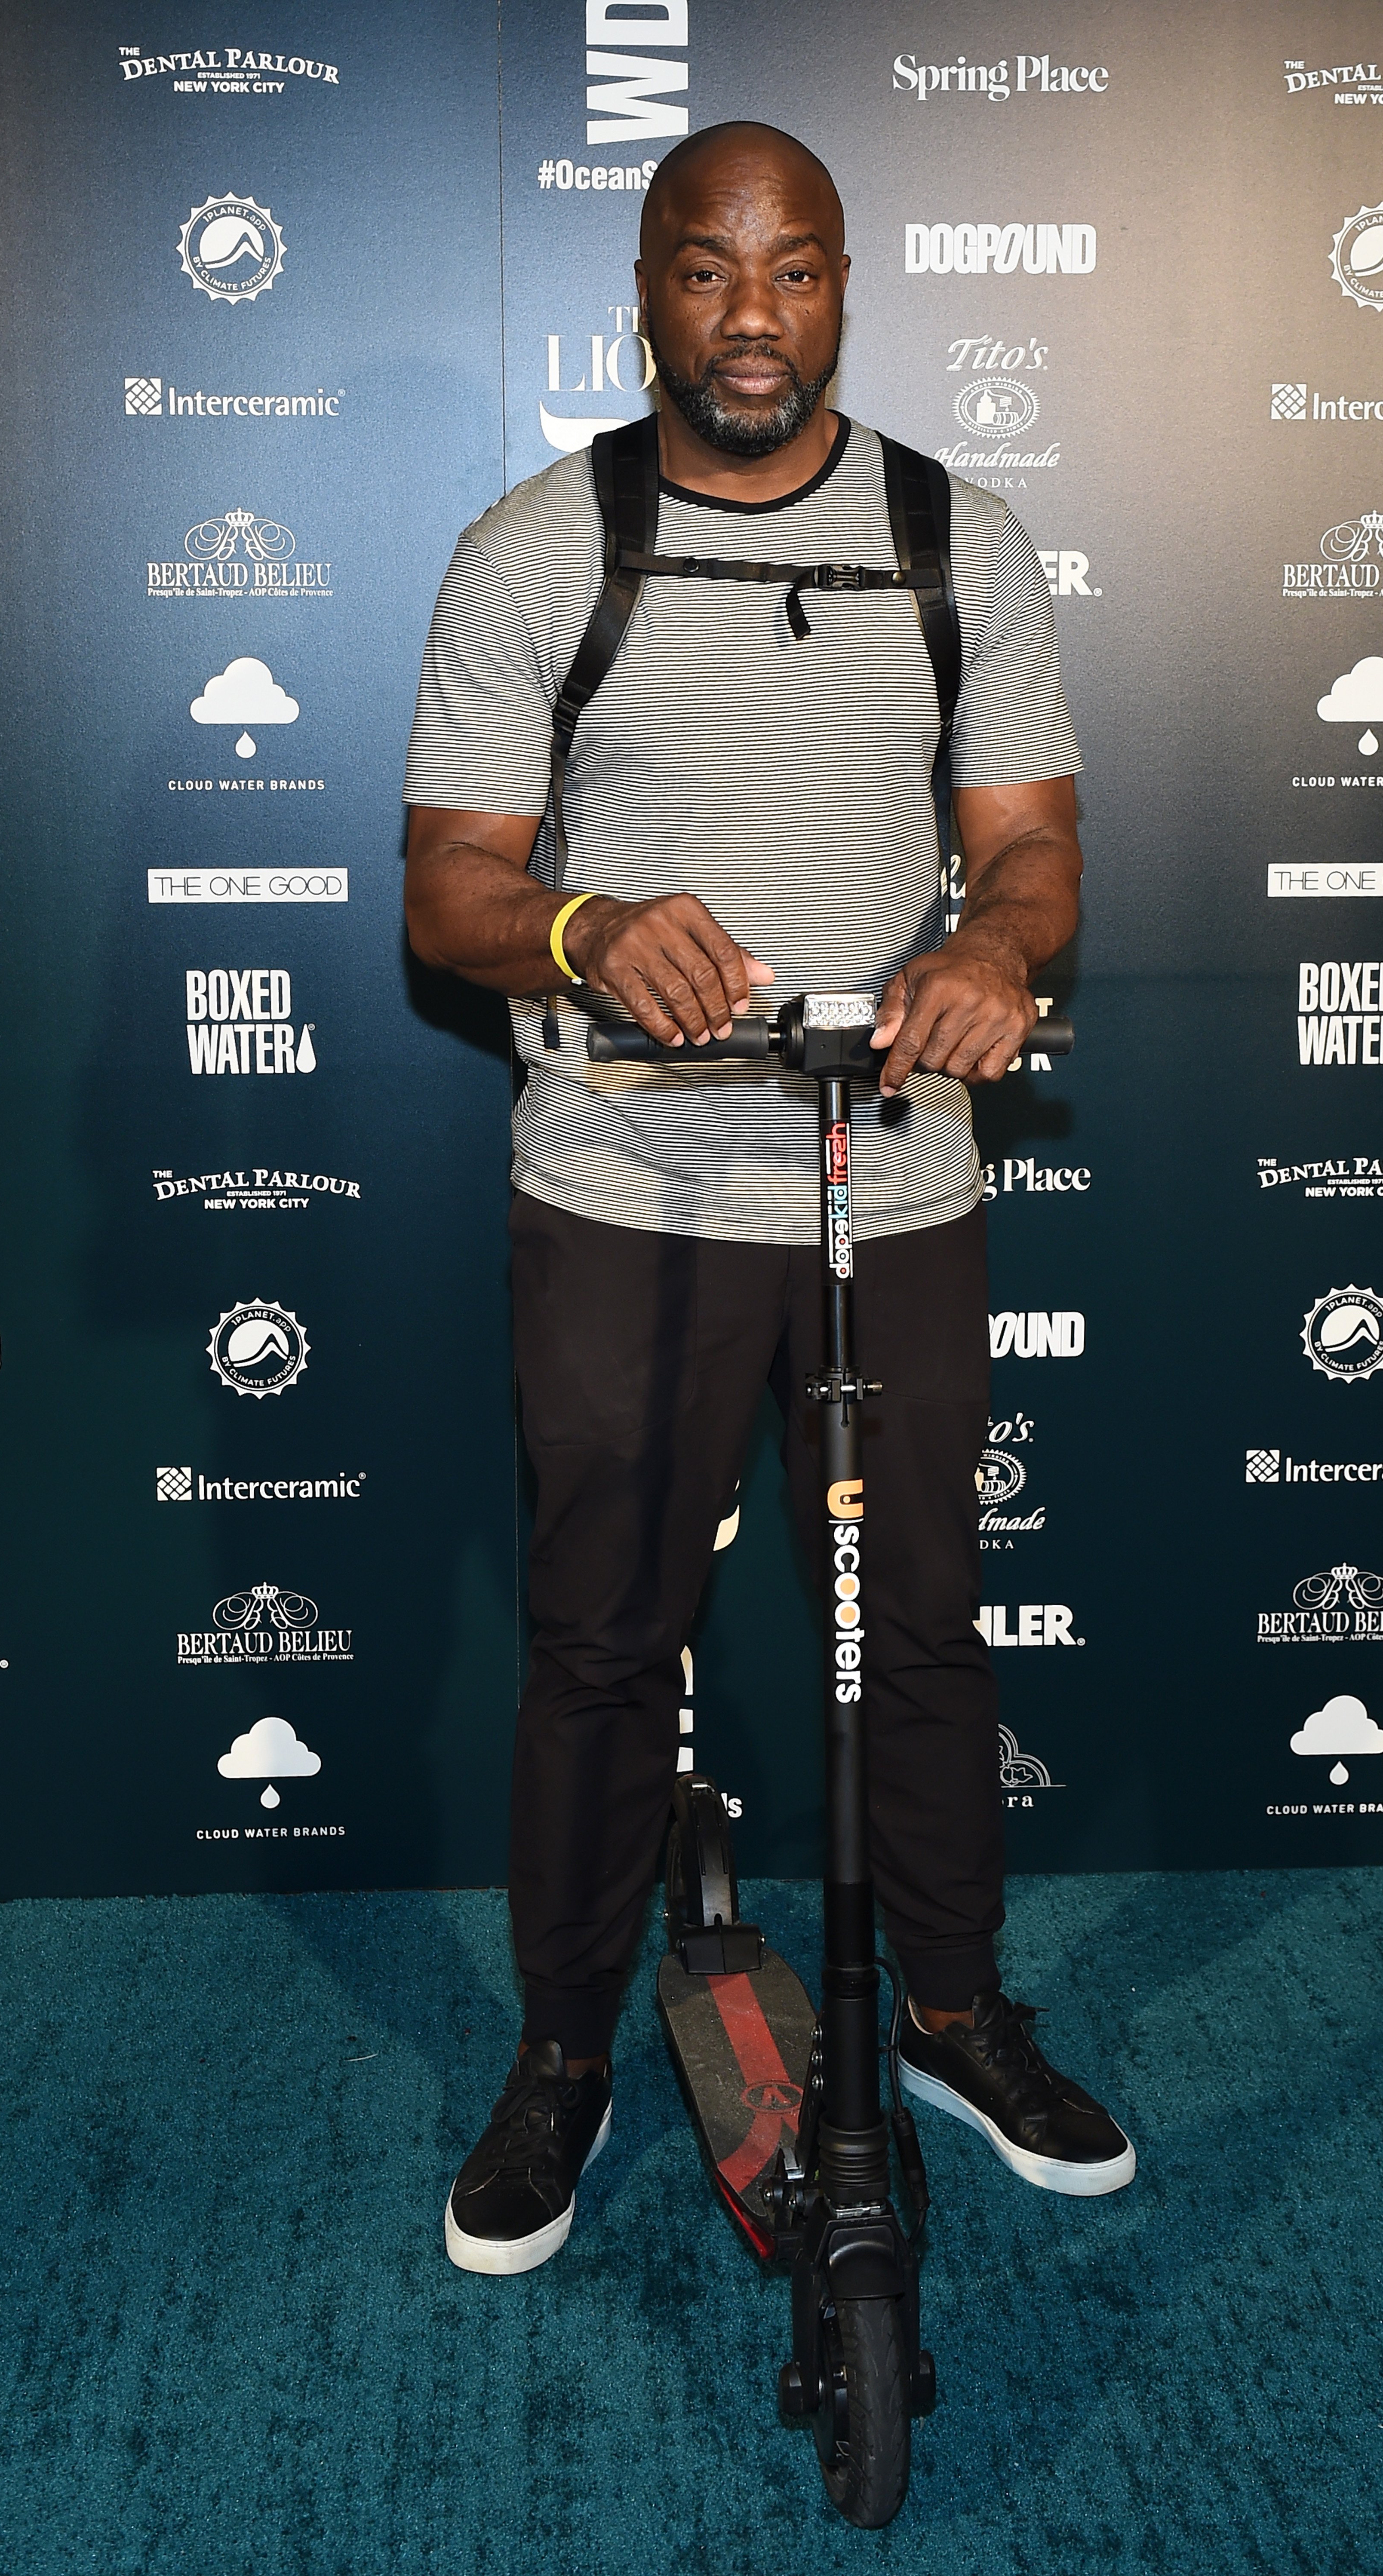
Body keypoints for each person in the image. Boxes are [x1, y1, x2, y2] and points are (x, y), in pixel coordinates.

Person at [403, 121, 1134, 2276]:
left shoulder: (951, 537)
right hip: (625, 1180)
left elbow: (1033, 849)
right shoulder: (542, 546)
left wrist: (999, 949)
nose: (751, 315)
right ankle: (562, 2052)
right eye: (708, 272)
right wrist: (575, 931)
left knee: (921, 1629)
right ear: (644, 286)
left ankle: (950, 2013)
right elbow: (451, 881)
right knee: (602, 1643)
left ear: (844, 285)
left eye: (794, 271)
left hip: (880, 1173)